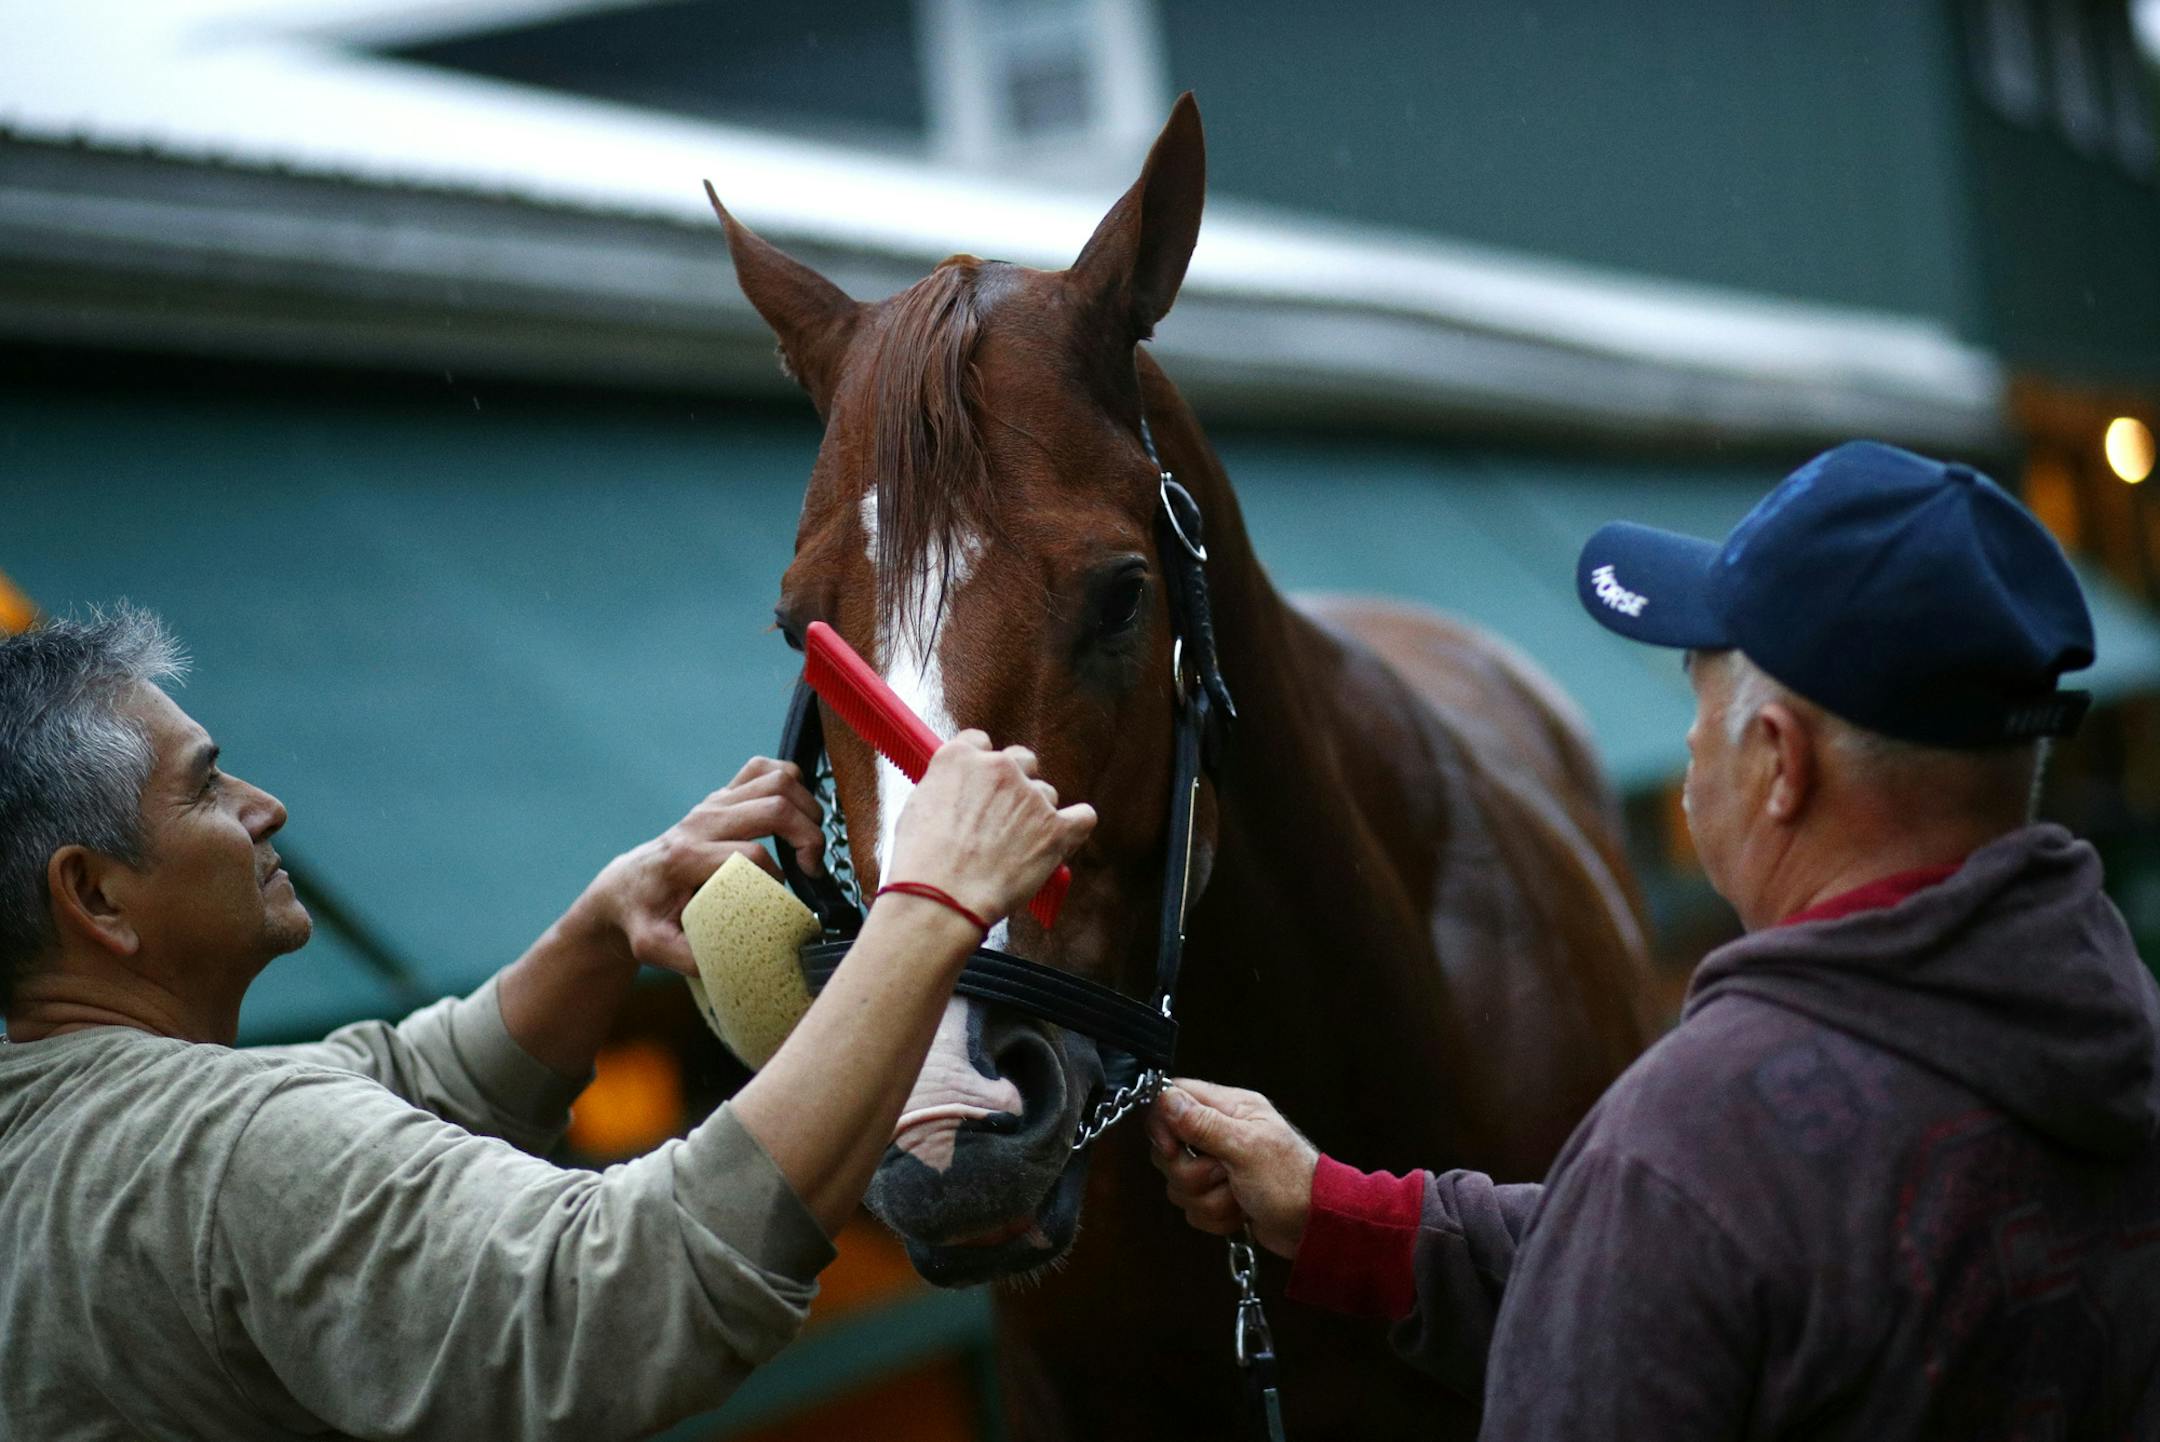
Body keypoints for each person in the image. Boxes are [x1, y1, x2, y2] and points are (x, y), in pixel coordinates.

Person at [1148, 441, 2160, 1438]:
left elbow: (1682, 1243)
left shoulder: (1691, 1144)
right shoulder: (2113, 1028)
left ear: (1779, 760)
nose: (1684, 737)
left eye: (1699, 686)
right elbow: (1695, 1271)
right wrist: (1335, 1214)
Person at [0, 604, 1094, 1442]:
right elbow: (612, 1289)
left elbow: (377, 1091)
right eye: (204, 790)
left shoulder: (56, 1131)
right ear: (94, 896)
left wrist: (598, 928)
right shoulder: (222, 1149)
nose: (261, 804)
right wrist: (934, 904)